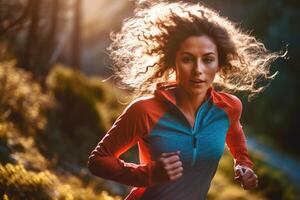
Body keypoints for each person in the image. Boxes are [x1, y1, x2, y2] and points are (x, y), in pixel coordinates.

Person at [88, 1, 281, 199]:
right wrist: (148, 174)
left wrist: (243, 164)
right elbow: (98, 161)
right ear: (173, 61)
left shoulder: (229, 108)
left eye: (207, 59)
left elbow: (235, 138)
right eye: (187, 59)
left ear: (220, 63)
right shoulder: (145, 110)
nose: (198, 70)